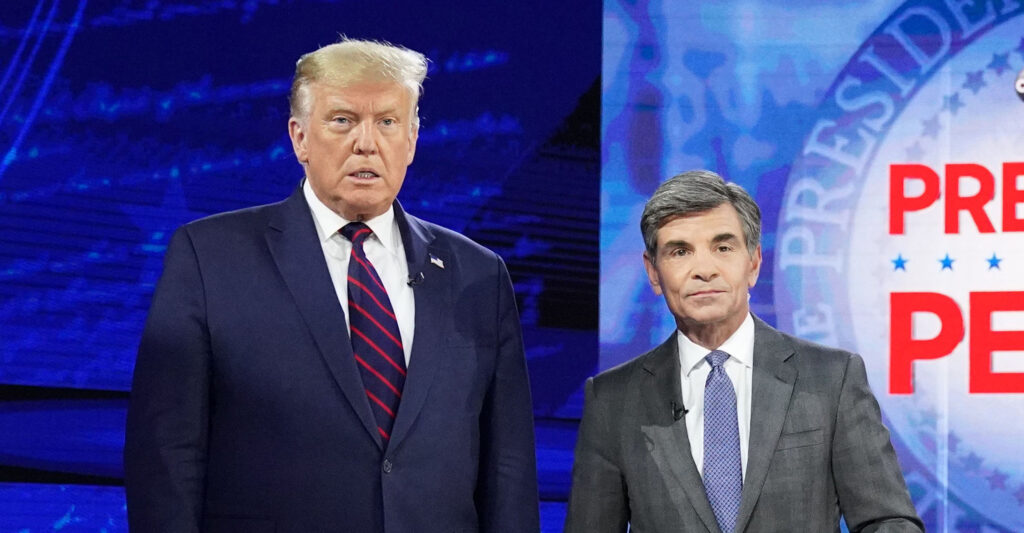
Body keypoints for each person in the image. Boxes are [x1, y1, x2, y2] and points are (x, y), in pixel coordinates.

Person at [124, 38, 539, 533]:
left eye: (388, 122)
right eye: (342, 120)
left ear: (411, 139)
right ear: (299, 137)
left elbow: (508, 465)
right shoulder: (210, 256)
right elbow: (166, 452)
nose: (367, 143)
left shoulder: (478, 272)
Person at [564, 170, 922, 532]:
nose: (704, 270)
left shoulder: (832, 378)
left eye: (723, 247)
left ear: (753, 262)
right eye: (680, 251)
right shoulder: (612, 401)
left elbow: (888, 521)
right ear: (654, 273)